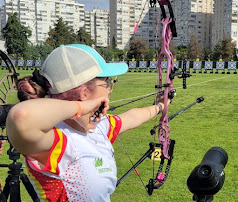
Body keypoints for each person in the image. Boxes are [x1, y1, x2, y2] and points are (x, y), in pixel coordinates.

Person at [6, 44, 172, 201]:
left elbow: (131, 118)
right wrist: (83, 107)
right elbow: (21, 117)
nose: (109, 89)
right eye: (106, 82)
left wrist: (160, 106)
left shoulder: (99, 126)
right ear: (84, 93)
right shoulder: (57, 140)